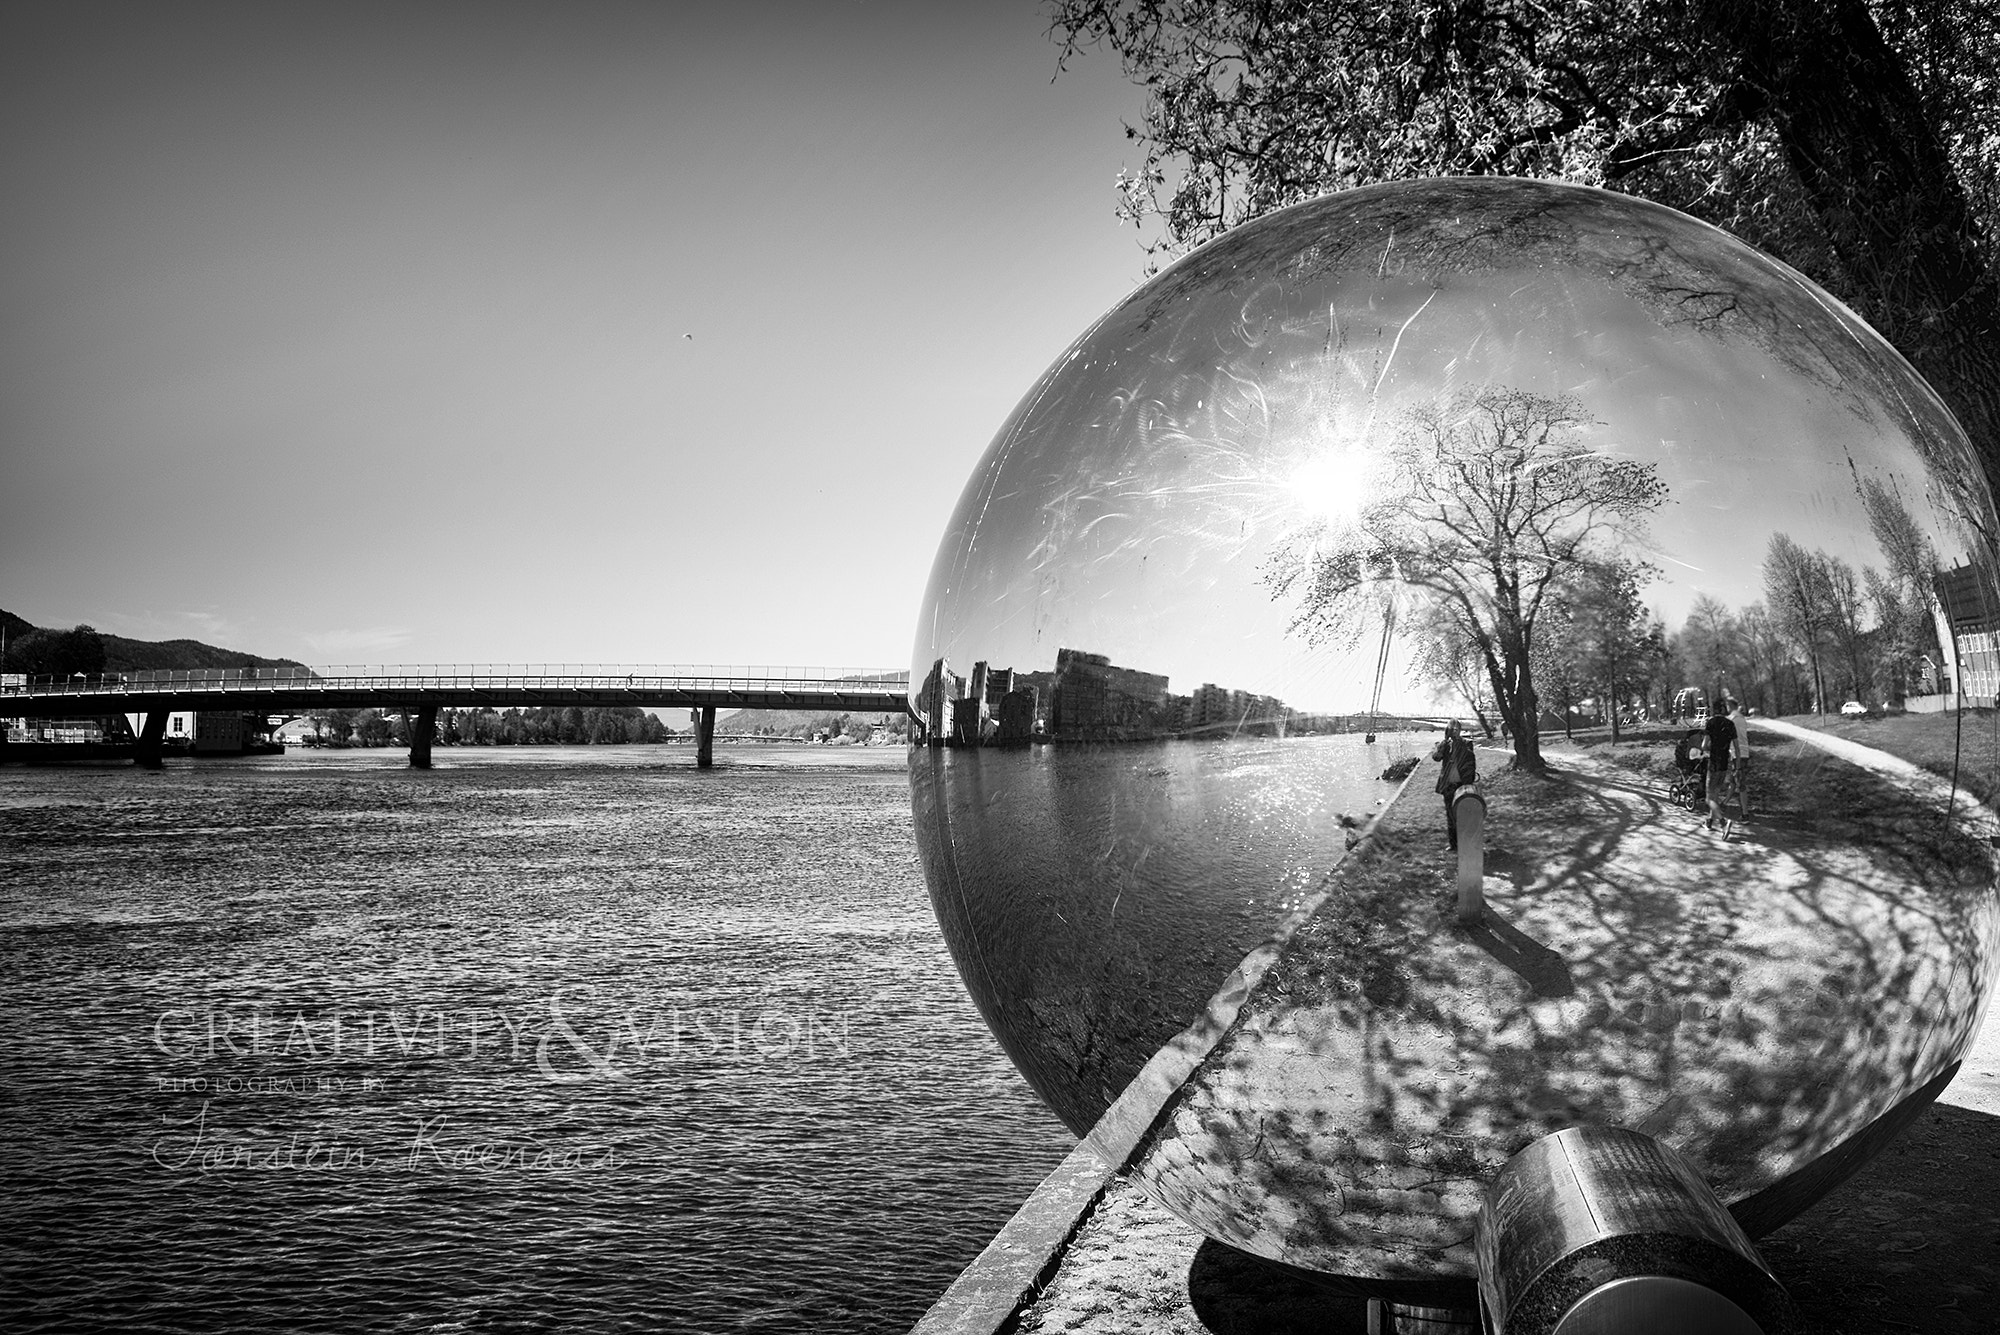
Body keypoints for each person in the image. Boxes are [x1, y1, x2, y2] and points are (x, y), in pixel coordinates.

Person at [1431, 720, 1477, 851]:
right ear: (1448, 730)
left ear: (1460, 730)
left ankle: (1466, 842)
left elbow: (1470, 760)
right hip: (1448, 785)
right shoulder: (1445, 745)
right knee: (1450, 816)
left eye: (1457, 729)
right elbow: (1436, 757)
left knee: (1463, 814)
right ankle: (1453, 845)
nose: (1454, 732)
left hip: (1462, 784)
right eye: (1452, 729)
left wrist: (1457, 743)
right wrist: (1444, 743)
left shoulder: (1466, 743)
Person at [1703, 698, 1739, 831]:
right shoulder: (1730, 724)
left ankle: (1723, 822)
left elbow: (1704, 745)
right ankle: (1709, 822)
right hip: (1724, 763)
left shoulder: (1710, 723)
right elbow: (1736, 746)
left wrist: (1709, 749)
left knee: (1708, 798)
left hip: (1713, 764)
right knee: (1715, 795)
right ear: (1723, 709)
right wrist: (1738, 763)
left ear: (1714, 709)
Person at [1727, 698, 1752, 820]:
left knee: (1740, 784)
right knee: (1733, 781)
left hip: (1738, 754)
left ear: (1730, 706)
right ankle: (1724, 803)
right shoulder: (1742, 718)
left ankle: (1745, 814)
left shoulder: (1732, 719)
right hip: (1744, 752)